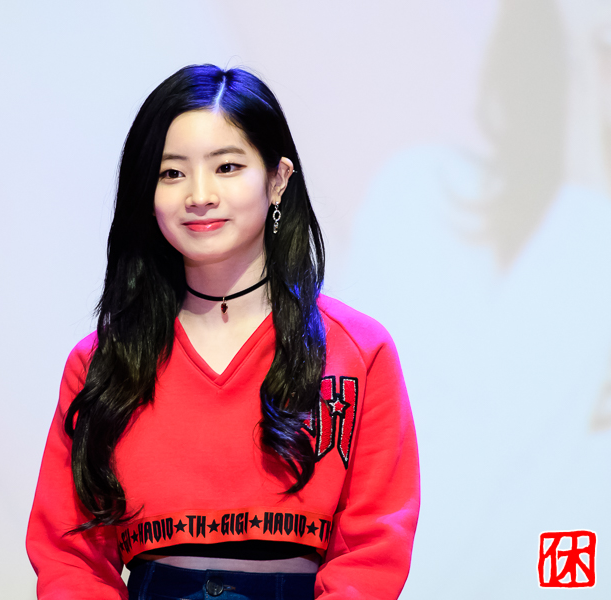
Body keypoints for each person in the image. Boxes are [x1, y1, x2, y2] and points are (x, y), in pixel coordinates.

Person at [26, 64, 420, 600]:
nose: (199, 195)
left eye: (227, 167)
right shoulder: (101, 362)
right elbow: (69, 556)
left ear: (278, 180)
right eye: (172, 173)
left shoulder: (359, 351)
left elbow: (374, 549)